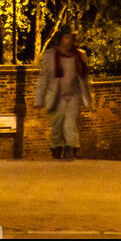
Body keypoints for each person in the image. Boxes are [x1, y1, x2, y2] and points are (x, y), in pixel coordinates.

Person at [34, 27, 92, 159]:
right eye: (66, 37)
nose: (69, 40)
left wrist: (87, 98)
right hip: (56, 96)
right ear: (60, 39)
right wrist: (39, 99)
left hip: (73, 95)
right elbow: (43, 78)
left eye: (70, 37)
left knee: (70, 125)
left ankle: (70, 150)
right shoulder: (50, 55)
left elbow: (83, 78)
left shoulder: (78, 55)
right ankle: (56, 149)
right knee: (56, 126)